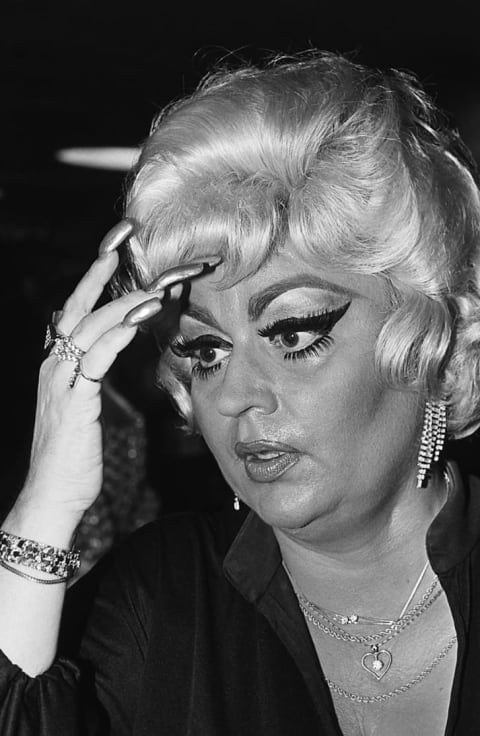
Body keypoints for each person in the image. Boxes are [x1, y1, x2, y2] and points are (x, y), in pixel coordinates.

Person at [0, 50, 479, 736]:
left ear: (428, 341)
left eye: (293, 333)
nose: (234, 398)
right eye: (206, 350)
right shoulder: (155, 603)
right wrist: (42, 508)